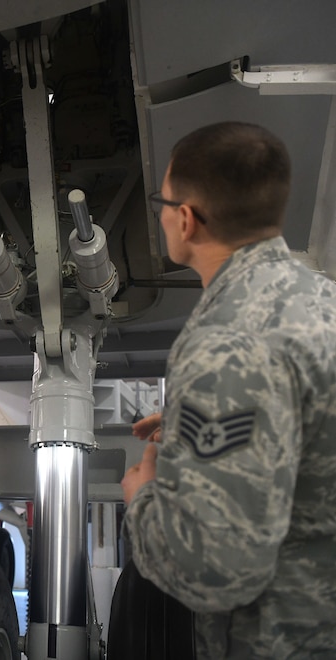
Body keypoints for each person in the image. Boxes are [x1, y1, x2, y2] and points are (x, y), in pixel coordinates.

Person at [120, 121, 336, 658]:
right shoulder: (322, 301)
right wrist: (210, 429)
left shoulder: (226, 342)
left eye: (162, 201)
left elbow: (218, 571)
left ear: (186, 220)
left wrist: (142, 499)